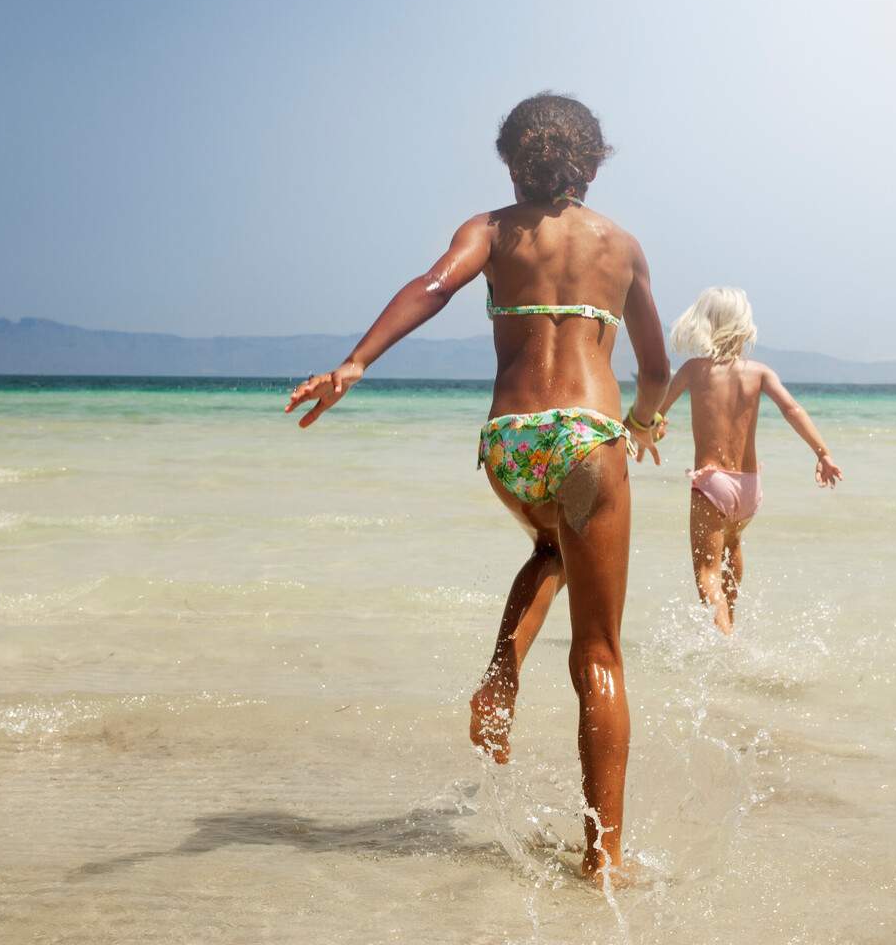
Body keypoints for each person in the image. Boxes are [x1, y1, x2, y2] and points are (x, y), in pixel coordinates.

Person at [284, 93, 669, 880]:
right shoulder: (621, 247)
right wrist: (644, 423)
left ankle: (500, 674)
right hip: (588, 437)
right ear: (593, 164)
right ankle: (605, 861)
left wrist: (357, 361)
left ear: (510, 161)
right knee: (599, 654)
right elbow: (658, 371)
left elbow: (433, 285)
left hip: (509, 444)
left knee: (552, 548)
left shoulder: (490, 230)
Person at [656, 287, 841, 634]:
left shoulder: (694, 370)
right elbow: (792, 409)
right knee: (733, 544)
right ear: (745, 327)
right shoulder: (759, 372)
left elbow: (658, 413)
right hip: (749, 486)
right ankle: (733, 622)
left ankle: (724, 642)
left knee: (706, 571)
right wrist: (823, 453)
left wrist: (653, 430)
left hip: (713, 485)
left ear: (706, 326)